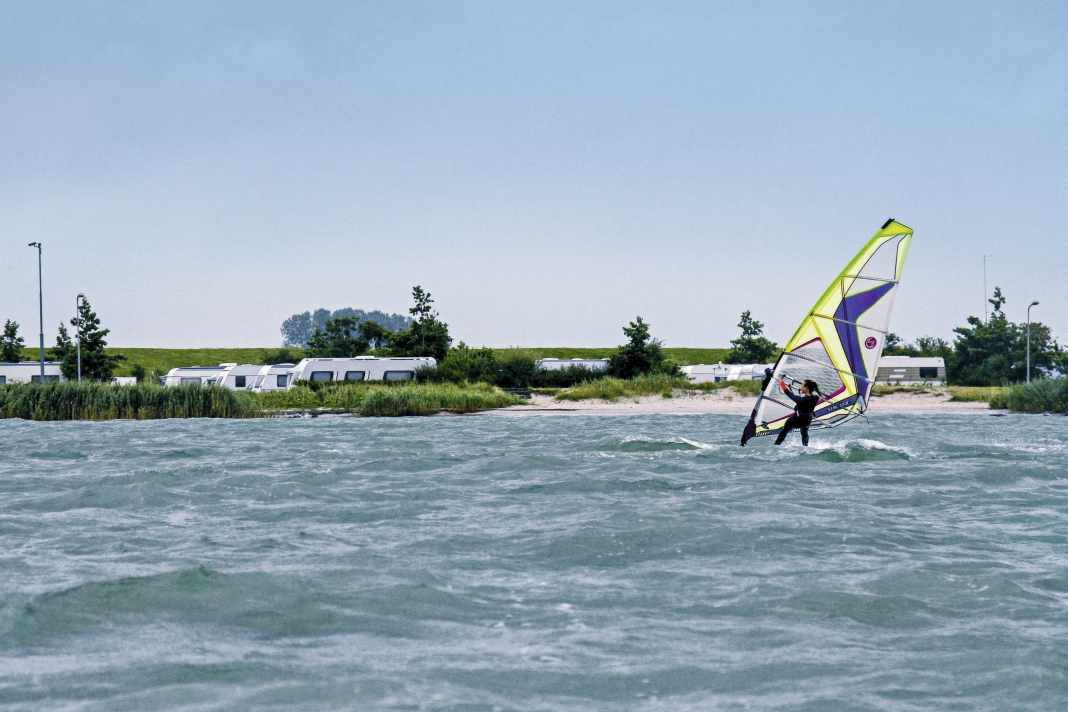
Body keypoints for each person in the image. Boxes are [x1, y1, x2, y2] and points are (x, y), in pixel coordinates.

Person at [774, 378, 821, 446]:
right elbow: (803, 400)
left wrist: (782, 384)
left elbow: (790, 395)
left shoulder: (802, 400)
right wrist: (797, 390)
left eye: (802, 385)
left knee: (785, 429)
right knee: (804, 432)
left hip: (798, 420)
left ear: (807, 388)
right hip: (807, 420)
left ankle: (777, 444)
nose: (800, 386)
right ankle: (805, 445)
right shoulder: (816, 398)